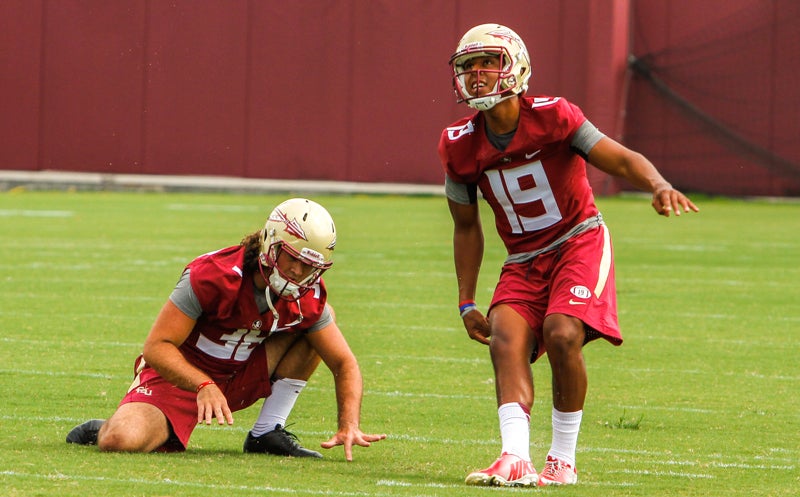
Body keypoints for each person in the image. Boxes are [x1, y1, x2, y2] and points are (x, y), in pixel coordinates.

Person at [438, 24, 698, 487]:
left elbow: (616, 157)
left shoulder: (555, 116)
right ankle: (515, 456)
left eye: (488, 63)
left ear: (515, 66)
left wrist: (658, 184)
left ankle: (562, 459)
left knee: (561, 334)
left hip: (578, 240)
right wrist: (465, 300)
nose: (476, 74)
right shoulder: (457, 144)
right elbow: (465, 226)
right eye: (467, 66)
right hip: (523, 257)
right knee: (504, 335)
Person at [66, 198, 386, 461]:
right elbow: (157, 347)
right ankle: (105, 426)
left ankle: (266, 432)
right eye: (292, 259)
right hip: (181, 379)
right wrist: (203, 384)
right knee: (120, 441)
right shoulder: (214, 276)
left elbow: (344, 363)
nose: (299, 273)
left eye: (310, 267)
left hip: (240, 374)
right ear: (271, 245)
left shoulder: (307, 294)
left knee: (319, 323)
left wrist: (349, 425)